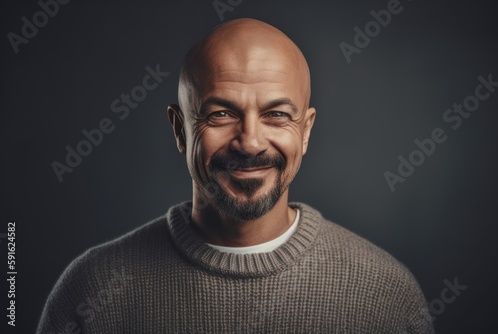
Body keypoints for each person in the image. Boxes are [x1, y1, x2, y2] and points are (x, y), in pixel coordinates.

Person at [37, 18, 434, 333]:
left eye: (277, 114)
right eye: (221, 114)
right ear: (180, 130)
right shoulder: (91, 292)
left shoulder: (386, 296)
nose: (250, 142)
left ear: (306, 130)